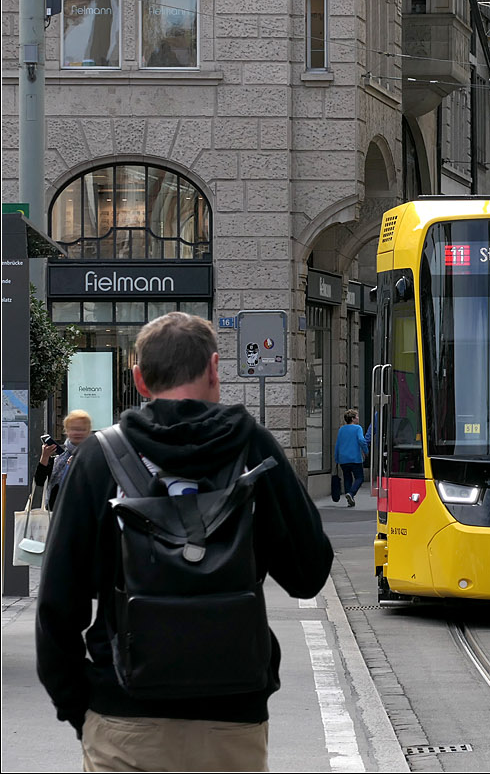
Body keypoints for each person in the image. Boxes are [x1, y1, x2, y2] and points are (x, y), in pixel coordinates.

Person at [37, 313, 333, 771]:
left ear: (139, 379)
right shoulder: (253, 447)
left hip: (124, 715)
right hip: (230, 722)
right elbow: (308, 574)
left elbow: (57, 604)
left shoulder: (98, 457)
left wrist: (83, 708)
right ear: (214, 369)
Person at [32, 410, 93, 511]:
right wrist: (45, 457)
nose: (77, 433)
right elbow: (39, 481)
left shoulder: (95, 455)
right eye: (73, 429)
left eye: (82, 429)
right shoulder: (58, 457)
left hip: (85, 516)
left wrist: (77, 468)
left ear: (88, 431)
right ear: (67, 431)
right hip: (56, 515)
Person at [334, 409, 370, 507]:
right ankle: (351, 493)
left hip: (343, 458)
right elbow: (361, 440)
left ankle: (349, 498)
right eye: (357, 416)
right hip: (355, 458)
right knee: (359, 478)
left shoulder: (341, 429)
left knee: (347, 478)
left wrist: (336, 458)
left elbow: (337, 445)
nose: (358, 418)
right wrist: (366, 451)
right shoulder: (357, 428)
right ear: (353, 419)